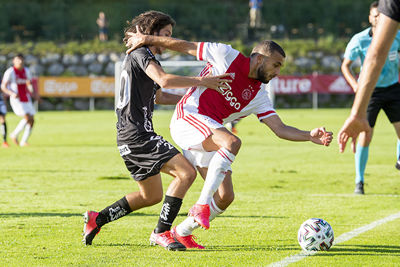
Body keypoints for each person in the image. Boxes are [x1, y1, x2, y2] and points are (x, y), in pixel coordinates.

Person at [126, 29, 333, 249]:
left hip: (210, 131)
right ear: (260, 59)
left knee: (226, 196)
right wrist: (147, 39)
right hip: (188, 117)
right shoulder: (226, 55)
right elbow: (185, 45)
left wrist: (308, 137)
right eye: (276, 65)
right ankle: (201, 206)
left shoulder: (259, 95)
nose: (278, 72)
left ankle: (181, 232)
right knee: (233, 142)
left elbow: (280, 128)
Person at [82, 11, 232, 251]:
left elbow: (159, 95)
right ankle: (161, 233)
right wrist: (203, 82)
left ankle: (96, 219)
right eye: (166, 34)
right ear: (151, 33)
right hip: (138, 134)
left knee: (150, 196)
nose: (169, 41)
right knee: (186, 173)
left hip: (128, 136)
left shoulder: (142, 57)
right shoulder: (141, 53)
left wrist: (191, 99)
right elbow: (163, 80)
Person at [341, 1, 400, 195]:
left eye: (380, 15)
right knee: (366, 134)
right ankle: (359, 181)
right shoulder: (359, 40)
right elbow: (346, 66)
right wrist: (357, 87)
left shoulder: (396, 36)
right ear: (370, 17)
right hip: (371, 92)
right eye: (375, 15)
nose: (378, 18)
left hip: (392, 88)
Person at [1, 54, 38, 147]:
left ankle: (23, 141)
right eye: (18, 60)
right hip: (16, 99)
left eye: (21, 60)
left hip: (26, 97)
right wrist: (12, 93)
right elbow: (3, 87)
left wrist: (33, 93)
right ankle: (14, 135)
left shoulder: (27, 71)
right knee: (27, 117)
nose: (20, 62)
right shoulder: (10, 72)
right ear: (14, 61)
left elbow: (29, 83)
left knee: (32, 120)